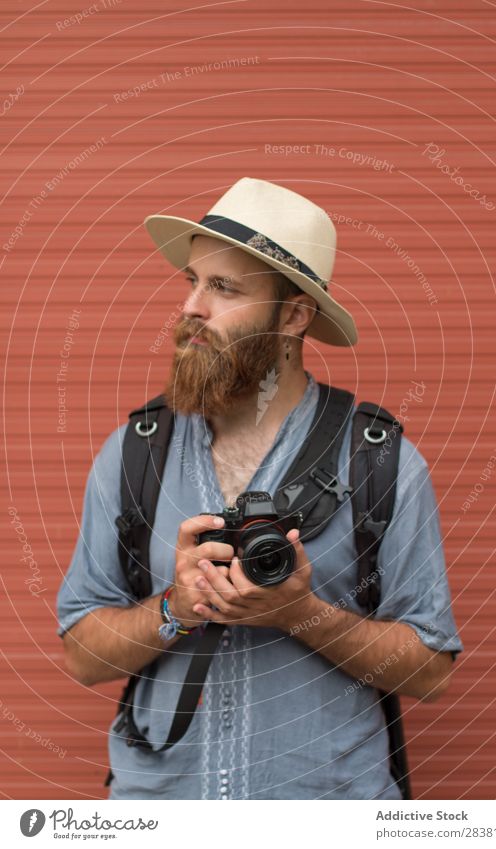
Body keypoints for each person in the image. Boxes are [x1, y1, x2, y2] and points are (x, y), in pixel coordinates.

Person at [56, 177, 463, 800]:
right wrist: (175, 609)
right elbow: (84, 656)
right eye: (193, 281)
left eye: (223, 288)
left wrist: (301, 615)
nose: (192, 306)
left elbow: (430, 669)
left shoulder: (378, 461)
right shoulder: (132, 454)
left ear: (295, 315)